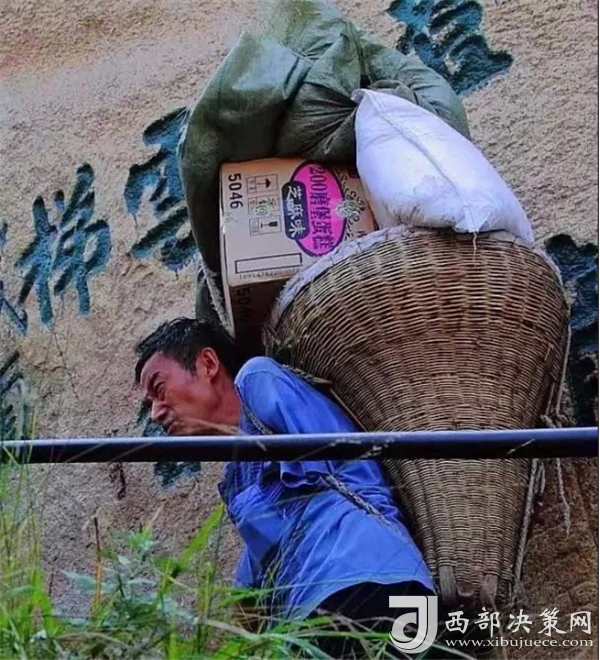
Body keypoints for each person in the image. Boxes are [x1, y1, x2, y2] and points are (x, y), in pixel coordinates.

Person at [135, 317, 435, 656]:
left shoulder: (257, 380)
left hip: (367, 582)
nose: (156, 413)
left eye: (159, 389)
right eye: (149, 405)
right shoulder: (237, 480)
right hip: (326, 611)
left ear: (208, 363)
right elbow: (253, 584)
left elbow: (336, 468)